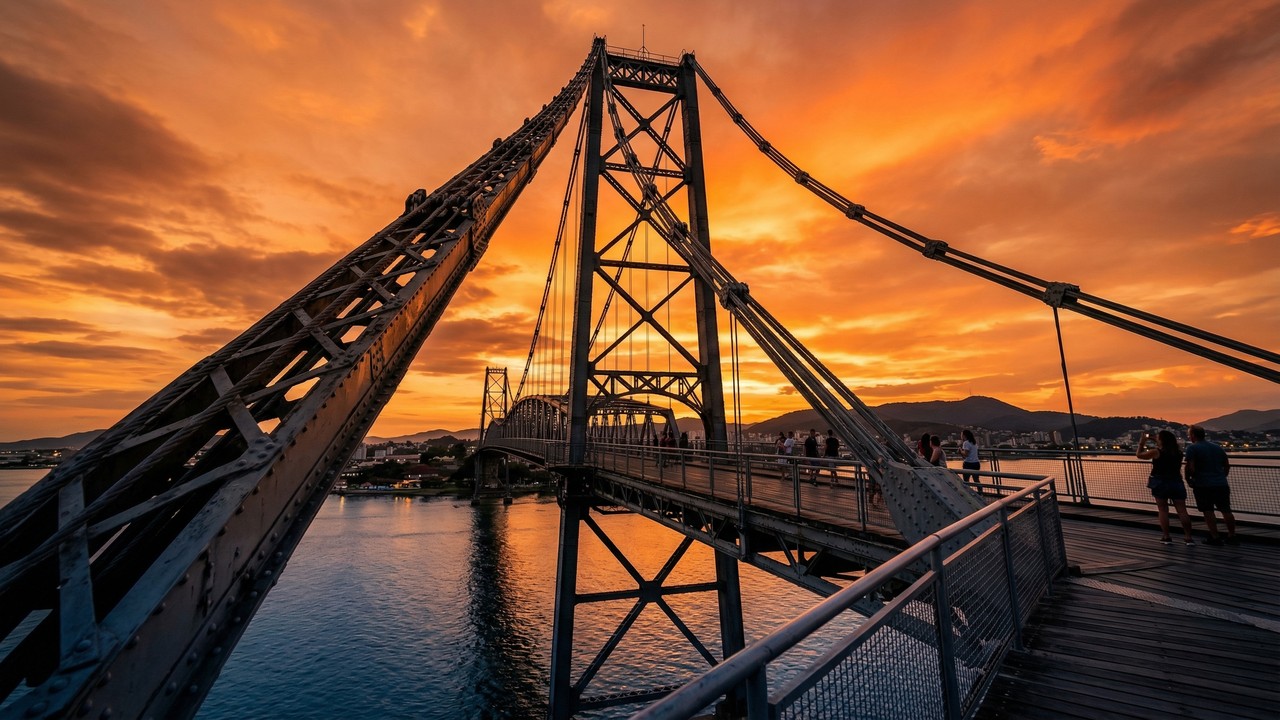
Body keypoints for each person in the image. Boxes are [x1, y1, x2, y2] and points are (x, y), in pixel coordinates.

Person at [1136, 430, 1194, 545]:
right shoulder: (1178, 452)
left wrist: (1142, 443)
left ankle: (1166, 536)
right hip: (1176, 481)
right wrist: (1157, 440)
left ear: (1162, 440)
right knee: (1182, 511)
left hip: (1160, 482)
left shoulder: (1156, 452)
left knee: (1163, 510)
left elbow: (1139, 455)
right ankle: (1188, 537)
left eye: (1158, 437)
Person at [1184, 425, 1237, 546]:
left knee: (1208, 511)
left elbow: (1190, 467)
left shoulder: (1192, 448)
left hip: (1203, 484)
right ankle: (1232, 535)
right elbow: (1227, 465)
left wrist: (1188, 479)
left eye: (1189, 434)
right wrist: (1222, 476)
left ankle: (1215, 537)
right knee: (1226, 510)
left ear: (1192, 435)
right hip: (1221, 484)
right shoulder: (1217, 447)